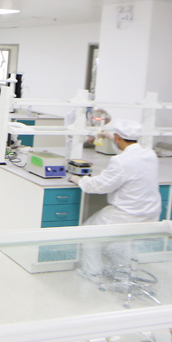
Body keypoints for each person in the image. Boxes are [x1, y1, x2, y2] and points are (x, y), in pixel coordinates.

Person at [68, 119, 161, 277]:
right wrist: (111, 136)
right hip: (149, 213)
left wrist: (79, 180)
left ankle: (92, 272)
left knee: (88, 233)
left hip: (126, 215)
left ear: (118, 137)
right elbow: (129, 155)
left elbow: (101, 186)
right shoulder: (150, 154)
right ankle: (121, 272)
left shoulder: (120, 161)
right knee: (122, 242)